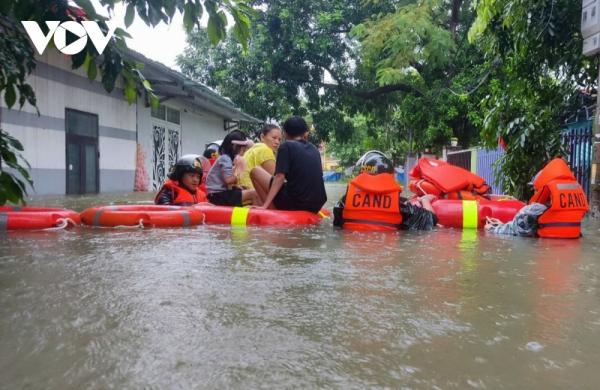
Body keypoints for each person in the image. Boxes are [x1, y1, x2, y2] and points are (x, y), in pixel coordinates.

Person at [333, 151, 439, 231]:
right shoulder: (400, 204)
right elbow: (430, 221)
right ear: (391, 176)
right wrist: (425, 200)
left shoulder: (345, 200)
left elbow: (337, 224)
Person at [250, 116, 327, 213]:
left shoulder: (286, 146)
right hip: (317, 204)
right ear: (305, 134)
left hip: (298, 203)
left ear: (285, 135)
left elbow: (279, 177)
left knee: (255, 171)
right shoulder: (314, 148)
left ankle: (270, 209)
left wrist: (264, 205)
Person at [205, 130, 262, 207]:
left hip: (218, 193)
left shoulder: (226, 159)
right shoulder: (225, 158)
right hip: (217, 196)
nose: (244, 153)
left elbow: (223, 181)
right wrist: (237, 177)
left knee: (252, 192)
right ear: (235, 147)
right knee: (254, 193)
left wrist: (236, 187)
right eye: (243, 150)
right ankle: (259, 216)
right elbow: (228, 180)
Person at [237, 124, 282, 188]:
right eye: (274, 138)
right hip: (253, 193)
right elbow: (276, 180)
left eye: (279, 139)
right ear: (262, 137)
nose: (277, 142)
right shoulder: (265, 150)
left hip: (243, 192)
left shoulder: (252, 149)